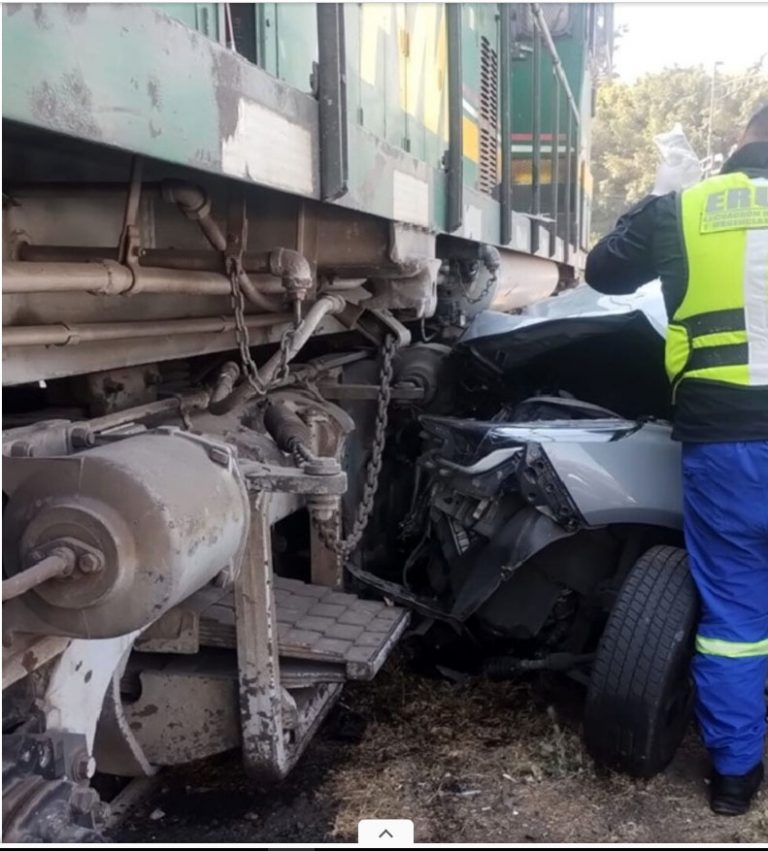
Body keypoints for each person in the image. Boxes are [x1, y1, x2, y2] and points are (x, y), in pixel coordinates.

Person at [585, 105, 768, 816]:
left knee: (734, 616)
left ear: (741, 140)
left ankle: (732, 780)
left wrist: (659, 194)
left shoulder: (689, 209)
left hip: (724, 443)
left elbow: (603, 271)